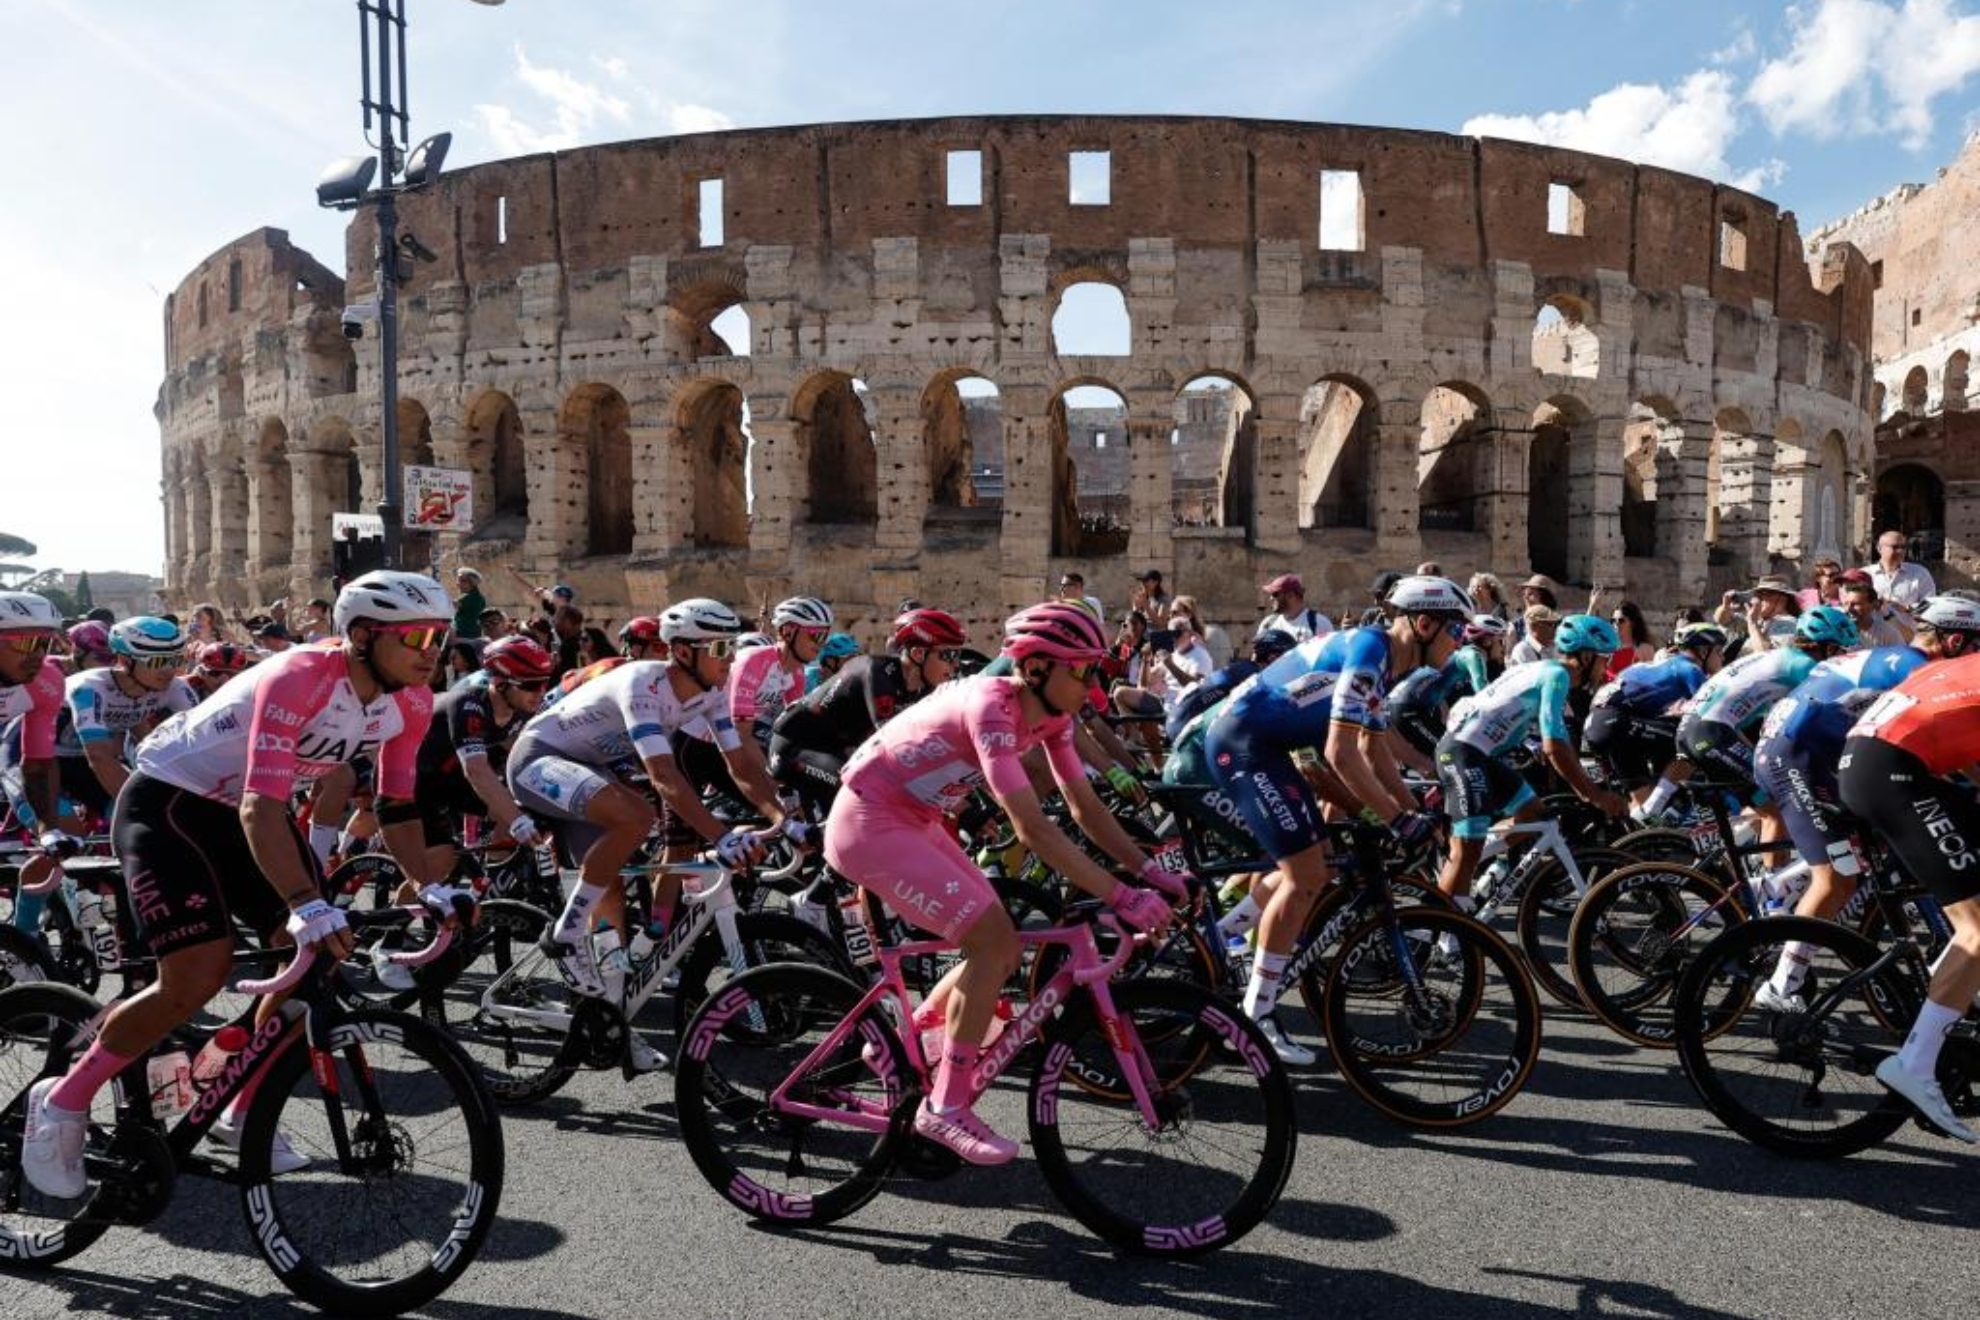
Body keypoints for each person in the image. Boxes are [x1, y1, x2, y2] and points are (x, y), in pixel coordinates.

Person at [19, 571, 461, 1198]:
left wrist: (430, 886)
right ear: (361, 635)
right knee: (199, 973)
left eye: (440, 637)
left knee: (316, 964)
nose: (431, 651)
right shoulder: (301, 676)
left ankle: (240, 1107)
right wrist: (308, 902)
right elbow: (261, 805)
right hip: (168, 804)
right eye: (416, 636)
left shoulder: (411, 702)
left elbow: (397, 807)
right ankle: (63, 1101)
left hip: (243, 816)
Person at [822, 602, 1186, 1163]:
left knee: (1001, 941)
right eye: (1083, 670)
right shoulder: (993, 706)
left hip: (911, 819)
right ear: (1038, 669)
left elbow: (1084, 807)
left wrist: (1148, 869)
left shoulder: (1052, 715)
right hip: (868, 820)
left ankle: (907, 1043)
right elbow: (1032, 827)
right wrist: (1120, 896)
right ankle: (944, 1109)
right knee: (992, 941)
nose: (1093, 683)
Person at [1206, 575, 1473, 1061]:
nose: (1459, 643)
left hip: (1271, 746)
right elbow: (1341, 752)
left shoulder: (1388, 661)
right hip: (1244, 744)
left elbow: (1373, 748)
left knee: (1319, 864)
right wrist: (1395, 820)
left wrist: (1411, 814)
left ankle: (1217, 940)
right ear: (1426, 622)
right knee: (1306, 874)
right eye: (1456, 631)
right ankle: (1254, 1016)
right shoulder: (1372, 650)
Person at [505, 598, 787, 1009]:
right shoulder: (643, 685)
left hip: (590, 771)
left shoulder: (710, 694)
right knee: (638, 815)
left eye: (735, 647)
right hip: (537, 758)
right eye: (722, 649)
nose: (732, 660)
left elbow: (740, 764)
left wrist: (783, 817)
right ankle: (565, 932)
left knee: (612, 893)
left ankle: (610, 1009)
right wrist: (722, 837)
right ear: (684, 651)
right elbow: (664, 776)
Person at [1836, 628, 1980, 1140]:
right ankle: (1915, 1064)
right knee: (1979, 930)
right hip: (1889, 769)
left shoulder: (1968, 668)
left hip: (1881, 761)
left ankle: (1952, 976)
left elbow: (1962, 744)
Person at [1436, 614, 1630, 904]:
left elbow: (1548, 736)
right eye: (1605, 660)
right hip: (1463, 751)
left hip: (1479, 753)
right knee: (1465, 850)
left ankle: (1481, 850)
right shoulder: (1558, 676)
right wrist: (1594, 795)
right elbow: (1555, 746)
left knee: (1532, 812)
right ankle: (1445, 938)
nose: (1607, 670)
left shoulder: (1544, 669)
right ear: (1587, 656)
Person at [769, 608, 966, 819]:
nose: (955, 664)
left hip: (838, 750)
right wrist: (960, 807)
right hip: (796, 746)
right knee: (863, 790)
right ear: (918, 654)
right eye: (949, 655)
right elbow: (895, 751)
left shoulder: (925, 688)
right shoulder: (877, 674)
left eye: (958, 655)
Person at [55, 617, 198, 822]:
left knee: (128, 818)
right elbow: (99, 756)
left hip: (82, 763)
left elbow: (202, 739)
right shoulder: (90, 687)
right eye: (157, 661)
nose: (169, 670)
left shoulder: (175, 687)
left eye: (176, 660)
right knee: (68, 832)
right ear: (124, 660)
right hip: (40, 762)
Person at [1584, 622, 1726, 816]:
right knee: (1695, 744)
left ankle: (1644, 840)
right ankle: (1659, 808)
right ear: (1703, 651)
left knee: (1641, 803)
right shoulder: (1690, 669)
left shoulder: (1663, 664)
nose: (1723, 657)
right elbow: (1712, 713)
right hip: (1616, 721)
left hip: (1600, 722)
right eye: (1719, 651)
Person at [729, 597, 834, 745]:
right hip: (701, 735)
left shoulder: (797, 673)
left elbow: (796, 724)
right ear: (787, 631)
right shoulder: (753, 662)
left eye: (825, 636)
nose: (821, 643)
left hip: (734, 734)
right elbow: (741, 734)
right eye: (816, 635)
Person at [1837, 569, 1912, 648]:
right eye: (1842, 586)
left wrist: (1888, 616)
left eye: (1850, 585)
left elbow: (1909, 640)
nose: (1844, 590)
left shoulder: (1888, 619)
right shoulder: (1837, 622)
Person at [1864, 529, 1936, 610]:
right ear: (1879, 548)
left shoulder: (1920, 573)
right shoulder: (1865, 574)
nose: (1900, 551)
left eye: (1903, 547)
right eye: (1895, 547)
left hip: (1907, 622)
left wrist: (1907, 608)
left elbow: (1930, 604)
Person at [1257, 574, 1332, 642]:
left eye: (1275, 594)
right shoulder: (1268, 623)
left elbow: (1330, 654)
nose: (1271, 598)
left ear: (1290, 595)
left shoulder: (1319, 623)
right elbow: (1256, 654)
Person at [1606, 600, 1655, 678]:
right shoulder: (1606, 648)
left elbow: (1651, 679)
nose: (1616, 624)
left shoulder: (1646, 649)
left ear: (1632, 623)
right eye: (1613, 621)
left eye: (1621, 621)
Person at [453, 567, 487, 640]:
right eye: (458, 580)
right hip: (475, 635)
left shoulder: (468, 597)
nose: (458, 583)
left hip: (464, 636)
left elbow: (449, 607)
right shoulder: (480, 597)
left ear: (472, 582)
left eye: (463, 581)